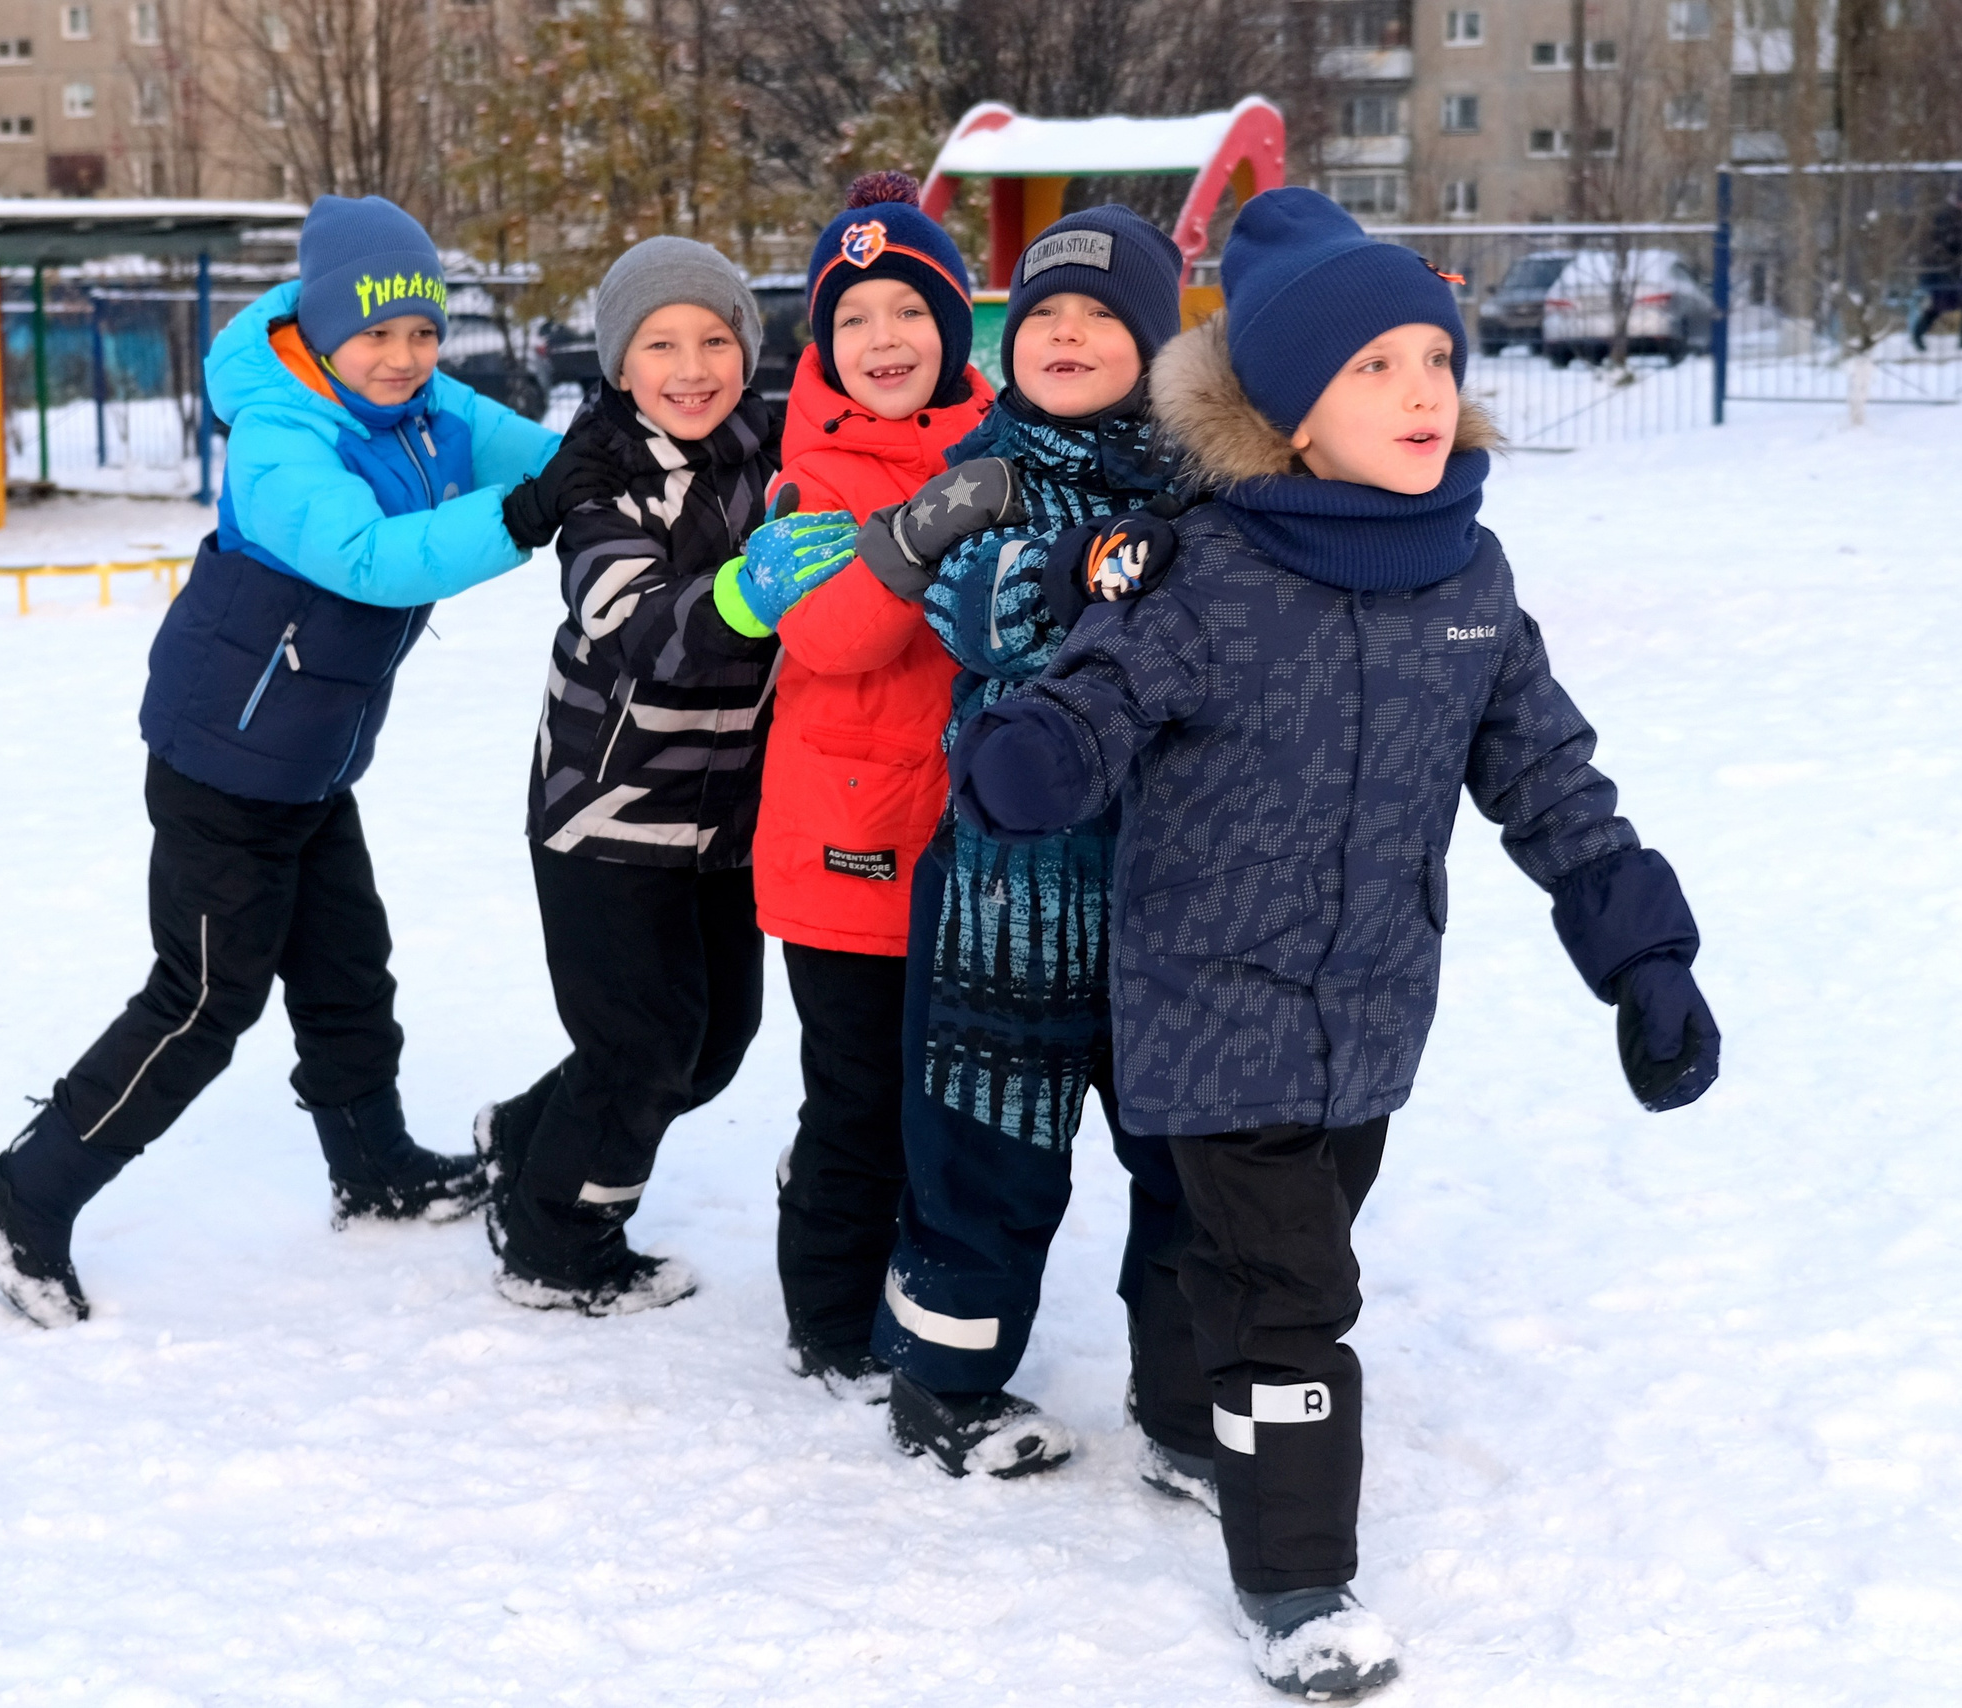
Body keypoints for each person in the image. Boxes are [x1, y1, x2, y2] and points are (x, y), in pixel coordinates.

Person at [947, 188, 1722, 1698]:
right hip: (1206, 998)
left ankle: (1186, 1418)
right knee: (1294, 1295)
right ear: (1292, 416)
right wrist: (1039, 751)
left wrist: (1645, 954)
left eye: (1433, 357)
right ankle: (1297, 1576)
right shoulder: (1213, 570)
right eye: (1373, 368)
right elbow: (1099, 688)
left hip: (1370, 1007)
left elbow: (1550, 780)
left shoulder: (1469, 584)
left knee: (1243, 1259)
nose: (1423, 390)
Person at [0, 195, 623, 1328]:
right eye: (377, 336)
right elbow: (370, 559)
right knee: (203, 998)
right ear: (320, 325)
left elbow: (544, 460)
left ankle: (375, 1168)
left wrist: (615, 460)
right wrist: (528, 514)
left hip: (309, 758)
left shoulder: (418, 404)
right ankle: (21, 1192)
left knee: (349, 968)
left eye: (422, 332)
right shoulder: (282, 434)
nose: (405, 358)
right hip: (225, 763)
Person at [861, 206, 1221, 1505]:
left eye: (1102, 317)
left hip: (1172, 909)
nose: (1066, 334)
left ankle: (1184, 1408)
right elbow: (982, 602)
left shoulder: (1205, 484)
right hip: (1008, 909)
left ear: (1157, 343)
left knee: (1188, 1167)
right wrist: (1095, 565)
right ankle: (944, 1382)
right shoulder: (984, 475)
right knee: (984, 1156)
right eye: (1043, 316)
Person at [704, 172, 994, 1400]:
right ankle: (826, 1320)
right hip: (850, 847)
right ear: (824, 343)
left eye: (910, 312)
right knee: (860, 1097)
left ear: (953, 326)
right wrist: (926, 526)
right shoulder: (809, 474)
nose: (886, 341)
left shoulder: (1004, 440)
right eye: (856, 318)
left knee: (943, 1095)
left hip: (973, 835)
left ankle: (907, 1280)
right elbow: (831, 637)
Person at [477, 237, 787, 1316]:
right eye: (660, 342)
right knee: (645, 1045)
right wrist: (751, 593)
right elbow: (641, 625)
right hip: (605, 809)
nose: (691, 364)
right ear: (619, 366)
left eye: (714, 337)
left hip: (727, 815)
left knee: (714, 1046)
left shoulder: (775, 451)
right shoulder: (598, 478)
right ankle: (557, 1242)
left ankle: (523, 1132)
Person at [1912, 185, 1962, 351]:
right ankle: (1918, 334)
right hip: (1950, 269)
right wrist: (1961, 243)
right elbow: (1941, 242)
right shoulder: (1948, 216)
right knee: (1940, 304)